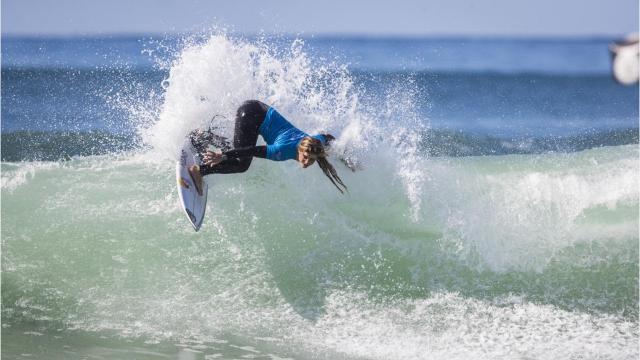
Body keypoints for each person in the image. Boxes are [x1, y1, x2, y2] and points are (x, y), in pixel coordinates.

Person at [188, 100, 348, 195]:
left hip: (258, 110)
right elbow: (252, 150)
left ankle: (204, 136)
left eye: (311, 160)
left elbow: (327, 137)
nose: (306, 162)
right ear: (300, 149)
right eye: (305, 157)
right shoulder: (282, 150)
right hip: (251, 114)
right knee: (242, 163)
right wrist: (221, 156)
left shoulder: (314, 143)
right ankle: (199, 170)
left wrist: (344, 157)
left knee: (238, 148)